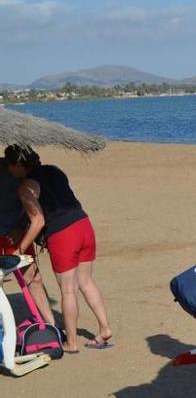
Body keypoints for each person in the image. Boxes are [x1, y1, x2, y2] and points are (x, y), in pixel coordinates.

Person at [5, 145, 113, 353]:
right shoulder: (55, 170)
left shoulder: (25, 186)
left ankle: (71, 342)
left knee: (68, 290)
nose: (9, 171)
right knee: (86, 282)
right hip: (83, 224)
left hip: (63, 234)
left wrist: (20, 249)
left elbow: (38, 221)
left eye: (10, 166)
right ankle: (104, 328)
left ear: (19, 165)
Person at [0, 157, 55, 326]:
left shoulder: (19, 170)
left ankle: (51, 325)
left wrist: (22, 227)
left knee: (33, 277)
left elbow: (32, 204)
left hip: (15, 234)